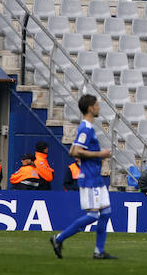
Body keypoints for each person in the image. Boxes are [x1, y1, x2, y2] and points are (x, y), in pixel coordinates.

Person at [50, 94, 116, 260]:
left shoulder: (87, 127)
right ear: (90, 108)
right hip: (90, 179)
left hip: (96, 178)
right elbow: (78, 151)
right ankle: (58, 238)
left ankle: (98, 251)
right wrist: (101, 154)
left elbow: (73, 150)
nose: (99, 108)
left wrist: (87, 153)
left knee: (106, 213)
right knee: (93, 215)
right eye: (97, 105)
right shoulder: (86, 128)